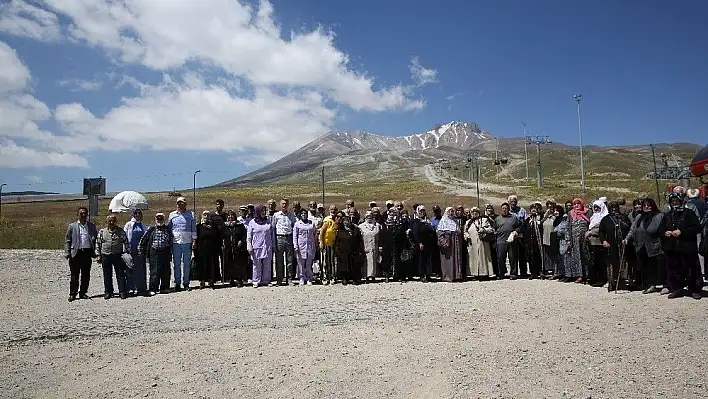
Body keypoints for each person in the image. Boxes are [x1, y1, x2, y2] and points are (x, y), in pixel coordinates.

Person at [661, 193, 702, 299]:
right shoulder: (668, 215)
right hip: (672, 248)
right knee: (674, 270)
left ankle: (694, 290)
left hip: (687, 247)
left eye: (677, 201)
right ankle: (676, 289)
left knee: (692, 270)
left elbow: (697, 227)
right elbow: (660, 229)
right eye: (673, 201)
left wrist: (682, 232)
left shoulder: (689, 213)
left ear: (681, 201)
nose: (675, 203)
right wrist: (666, 233)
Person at [624, 198, 664, 294]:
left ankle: (653, 284)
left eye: (649, 205)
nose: (646, 207)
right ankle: (647, 284)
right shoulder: (639, 217)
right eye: (645, 205)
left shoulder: (659, 216)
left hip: (654, 245)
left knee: (654, 266)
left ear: (653, 206)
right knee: (644, 265)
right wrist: (627, 238)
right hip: (641, 244)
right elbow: (632, 229)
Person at [64, 206, 98, 302]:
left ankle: (83, 292)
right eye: (81, 213)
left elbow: (96, 239)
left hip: (87, 252)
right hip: (76, 252)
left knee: (86, 274)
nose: (83, 215)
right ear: (77, 215)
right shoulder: (72, 226)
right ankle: (72, 294)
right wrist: (67, 252)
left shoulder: (91, 226)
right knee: (74, 274)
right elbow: (67, 240)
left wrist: (96, 252)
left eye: (85, 213)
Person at [599, 202, 632, 292]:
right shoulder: (605, 219)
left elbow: (629, 228)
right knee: (612, 263)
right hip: (611, 245)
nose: (614, 209)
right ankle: (612, 281)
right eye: (612, 207)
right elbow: (601, 231)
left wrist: (626, 239)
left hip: (623, 244)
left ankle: (624, 281)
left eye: (615, 207)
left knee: (624, 262)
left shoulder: (623, 218)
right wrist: (604, 241)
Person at [138, 213, 173, 295]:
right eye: (158, 219)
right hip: (154, 252)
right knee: (154, 271)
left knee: (166, 271)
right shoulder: (151, 229)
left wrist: (171, 252)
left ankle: (164, 288)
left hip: (165, 252)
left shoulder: (167, 229)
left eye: (161, 219)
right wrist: (140, 249)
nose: (159, 220)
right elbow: (143, 239)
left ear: (164, 220)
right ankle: (153, 288)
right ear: (155, 219)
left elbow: (171, 240)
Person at [97, 214, 130, 300]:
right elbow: (98, 244)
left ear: (116, 222)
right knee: (107, 275)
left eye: (113, 221)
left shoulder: (121, 232)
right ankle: (108, 292)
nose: (111, 223)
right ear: (106, 222)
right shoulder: (102, 232)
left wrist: (127, 253)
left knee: (120, 274)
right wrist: (98, 255)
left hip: (117, 255)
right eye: (110, 221)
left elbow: (126, 242)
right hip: (105, 255)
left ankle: (122, 291)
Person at [168, 197, 197, 292]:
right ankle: (177, 282)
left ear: (185, 204)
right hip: (176, 242)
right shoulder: (172, 215)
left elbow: (194, 228)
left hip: (187, 241)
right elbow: (169, 229)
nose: (181, 205)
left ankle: (186, 283)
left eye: (182, 203)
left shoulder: (191, 214)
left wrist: (194, 241)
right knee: (176, 264)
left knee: (187, 263)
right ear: (177, 204)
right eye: (179, 203)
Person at [334, 210, 365, 284]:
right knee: (344, 265)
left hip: (354, 250)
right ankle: (345, 278)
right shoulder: (340, 230)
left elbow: (360, 240)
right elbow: (337, 242)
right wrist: (337, 250)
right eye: (345, 221)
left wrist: (360, 250)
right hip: (343, 251)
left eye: (348, 221)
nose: (346, 222)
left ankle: (354, 279)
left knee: (354, 265)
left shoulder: (355, 229)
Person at [464, 207, 495, 279]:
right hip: (472, 243)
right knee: (472, 258)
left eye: (476, 212)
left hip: (482, 242)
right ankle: (473, 273)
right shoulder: (468, 222)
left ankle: (483, 273)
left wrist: (483, 229)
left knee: (483, 257)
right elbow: (465, 231)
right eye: (473, 212)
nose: (474, 213)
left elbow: (491, 229)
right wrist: (466, 235)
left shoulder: (484, 220)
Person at [248, 205, 274, 288]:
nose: (263, 212)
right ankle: (256, 280)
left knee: (267, 264)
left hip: (267, 246)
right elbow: (249, 236)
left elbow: (272, 234)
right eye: (262, 211)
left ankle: (266, 280)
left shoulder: (268, 221)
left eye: (264, 211)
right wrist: (249, 246)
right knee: (257, 265)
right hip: (256, 246)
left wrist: (273, 245)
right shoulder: (252, 222)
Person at [565, 198, 591, 284]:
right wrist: (568, 239)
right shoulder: (571, 213)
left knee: (586, 255)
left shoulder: (587, 212)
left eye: (578, 204)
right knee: (577, 257)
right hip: (575, 239)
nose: (576, 206)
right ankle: (579, 275)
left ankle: (588, 275)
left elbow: (591, 223)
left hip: (585, 238)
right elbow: (568, 227)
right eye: (575, 204)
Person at [272, 198, 296, 285]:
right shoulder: (276, 215)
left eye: (286, 203)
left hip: (289, 237)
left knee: (289, 259)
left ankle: (289, 279)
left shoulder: (291, 215)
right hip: (279, 238)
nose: (284, 205)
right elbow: (273, 228)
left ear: (288, 205)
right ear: (280, 205)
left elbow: (294, 226)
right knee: (279, 260)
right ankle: (279, 279)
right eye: (282, 203)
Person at [495, 203, 523, 279]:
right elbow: (494, 229)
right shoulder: (497, 219)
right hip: (501, 241)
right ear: (501, 209)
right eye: (503, 208)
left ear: (508, 209)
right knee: (501, 258)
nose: (504, 210)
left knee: (513, 257)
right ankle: (502, 273)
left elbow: (520, 226)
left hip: (512, 241)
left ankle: (513, 273)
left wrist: (516, 231)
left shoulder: (514, 217)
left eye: (506, 208)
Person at [124, 209, 148, 296]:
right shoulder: (128, 225)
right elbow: (125, 237)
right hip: (131, 250)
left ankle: (141, 288)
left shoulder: (143, 225)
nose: (138, 215)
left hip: (140, 251)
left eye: (139, 213)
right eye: (136, 213)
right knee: (130, 269)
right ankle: (131, 288)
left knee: (141, 270)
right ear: (133, 215)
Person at [195, 210, 222, 289]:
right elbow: (195, 238)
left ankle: (211, 281)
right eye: (204, 215)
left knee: (212, 265)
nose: (206, 217)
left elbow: (218, 236)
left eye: (208, 215)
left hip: (212, 249)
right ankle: (202, 281)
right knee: (202, 265)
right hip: (201, 249)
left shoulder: (214, 226)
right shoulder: (199, 226)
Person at [437, 207, 464, 282]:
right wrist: (444, 241)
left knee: (456, 259)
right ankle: (448, 276)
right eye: (449, 211)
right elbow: (440, 233)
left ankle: (456, 276)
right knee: (448, 260)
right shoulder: (443, 221)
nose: (451, 212)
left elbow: (458, 231)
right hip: (447, 243)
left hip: (456, 243)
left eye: (452, 211)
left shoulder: (455, 221)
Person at [585, 200, 609, 287]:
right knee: (594, 261)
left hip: (599, 242)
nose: (596, 209)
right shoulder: (594, 216)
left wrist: (591, 233)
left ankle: (601, 279)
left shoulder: (604, 216)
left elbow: (602, 229)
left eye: (598, 207)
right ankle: (594, 278)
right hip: (592, 242)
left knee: (600, 262)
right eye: (594, 207)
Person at [222, 210, 248, 287]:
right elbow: (221, 236)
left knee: (238, 264)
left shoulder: (240, 225)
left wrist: (241, 241)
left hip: (238, 248)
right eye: (229, 216)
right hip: (228, 247)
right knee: (229, 263)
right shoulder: (224, 226)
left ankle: (239, 279)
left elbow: (244, 235)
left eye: (232, 215)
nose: (230, 217)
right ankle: (231, 279)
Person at [411, 205, 436, 282]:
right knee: (421, 259)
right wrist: (419, 243)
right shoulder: (416, 221)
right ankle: (422, 275)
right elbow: (415, 233)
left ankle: (428, 274)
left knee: (428, 259)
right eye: (420, 211)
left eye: (423, 211)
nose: (422, 212)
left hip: (428, 243)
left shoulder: (427, 221)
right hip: (421, 243)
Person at [293, 208, 317, 285]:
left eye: (305, 213)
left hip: (310, 245)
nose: (304, 215)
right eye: (302, 213)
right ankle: (302, 277)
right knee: (301, 263)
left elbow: (314, 233)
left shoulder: (311, 223)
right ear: (300, 215)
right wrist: (295, 246)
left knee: (309, 263)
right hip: (301, 246)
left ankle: (309, 278)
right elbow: (295, 236)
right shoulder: (297, 224)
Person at [359, 211, 382, 282]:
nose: (369, 217)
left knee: (374, 261)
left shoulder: (377, 226)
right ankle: (366, 276)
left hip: (374, 246)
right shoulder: (361, 226)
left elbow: (380, 236)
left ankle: (373, 276)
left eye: (370, 216)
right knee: (366, 261)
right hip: (365, 246)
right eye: (367, 216)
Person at [319, 205, 339, 285]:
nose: (333, 211)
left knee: (333, 261)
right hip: (326, 243)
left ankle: (332, 277)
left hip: (333, 243)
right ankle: (325, 277)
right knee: (325, 261)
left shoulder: (337, 220)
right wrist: (321, 242)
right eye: (331, 209)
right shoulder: (327, 220)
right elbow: (322, 232)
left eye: (334, 209)